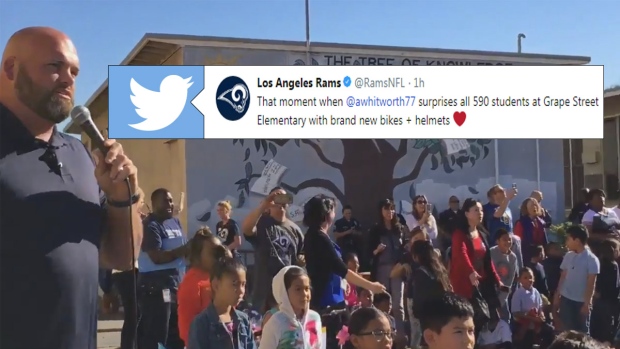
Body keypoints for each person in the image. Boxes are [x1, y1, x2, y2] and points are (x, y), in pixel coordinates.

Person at [0, 27, 143, 349]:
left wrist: (122, 200)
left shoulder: (80, 154)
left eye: (74, 71)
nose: (68, 79)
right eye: (54, 66)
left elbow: (120, 256)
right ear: (11, 69)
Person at [302, 195, 385, 348]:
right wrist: (371, 286)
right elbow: (342, 269)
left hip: (334, 298)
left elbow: (334, 269)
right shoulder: (318, 237)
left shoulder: (318, 236)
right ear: (326, 214)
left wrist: (344, 281)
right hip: (326, 303)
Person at [138, 189, 188, 349]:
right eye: (165, 200)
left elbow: (184, 248)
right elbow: (156, 257)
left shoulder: (175, 222)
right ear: (154, 203)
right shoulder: (150, 225)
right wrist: (184, 250)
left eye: (171, 200)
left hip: (177, 286)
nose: (170, 204)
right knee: (158, 336)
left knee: (177, 336)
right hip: (157, 289)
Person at [241, 187, 304, 311]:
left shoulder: (295, 230)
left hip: (287, 292)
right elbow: (247, 229)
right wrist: (264, 205)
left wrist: (302, 260)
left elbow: (301, 255)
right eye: (276, 198)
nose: (280, 203)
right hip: (264, 293)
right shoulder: (261, 223)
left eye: (283, 198)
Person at [188, 255, 256, 349]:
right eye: (234, 284)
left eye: (243, 284)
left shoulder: (244, 320)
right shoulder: (202, 323)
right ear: (216, 285)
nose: (241, 291)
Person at [450, 199, 506, 313]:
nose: (480, 213)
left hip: (482, 283)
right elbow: (461, 254)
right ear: (466, 214)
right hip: (465, 284)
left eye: (481, 210)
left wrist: (497, 279)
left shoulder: (482, 234)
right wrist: (471, 271)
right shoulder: (459, 234)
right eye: (476, 210)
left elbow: (487, 260)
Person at [177, 229, 231, 345]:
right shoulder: (192, 284)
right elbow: (186, 329)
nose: (218, 256)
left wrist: (228, 260)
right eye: (213, 252)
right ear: (197, 255)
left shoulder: (215, 276)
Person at [368, 199, 407, 334]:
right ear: (381, 211)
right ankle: (383, 333)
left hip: (397, 268)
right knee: (383, 302)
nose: (390, 212)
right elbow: (369, 252)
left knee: (398, 304)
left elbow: (404, 248)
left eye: (392, 209)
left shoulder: (399, 228)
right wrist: (377, 250)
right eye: (386, 209)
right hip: (382, 268)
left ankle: (400, 336)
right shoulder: (376, 229)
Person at [259, 266, 323, 349]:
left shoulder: (314, 318)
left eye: (307, 289)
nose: (304, 294)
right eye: (298, 289)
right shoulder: (276, 322)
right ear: (285, 292)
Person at [553, 224, 600, 335]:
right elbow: (563, 276)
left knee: (582, 334)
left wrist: (587, 304)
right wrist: (557, 294)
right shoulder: (568, 256)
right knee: (567, 332)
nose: (566, 242)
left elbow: (591, 284)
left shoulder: (592, 259)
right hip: (566, 299)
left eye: (568, 239)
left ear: (577, 240)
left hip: (581, 303)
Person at [409, 240, 452, 349]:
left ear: (416, 256)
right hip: (442, 315)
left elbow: (419, 300)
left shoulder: (420, 273)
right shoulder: (440, 271)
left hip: (427, 318)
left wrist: (416, 312)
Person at [511, 267, 554, 348]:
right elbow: (516, 313)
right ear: (519, 280)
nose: (529, 280)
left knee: (550, 331)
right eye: (525, 278)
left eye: (530, 277)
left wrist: (541, 315)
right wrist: (531, 318)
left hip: (536, 322)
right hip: (523, 324)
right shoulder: (518, 294)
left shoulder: (536, 292)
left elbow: (540, 306)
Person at [483, 185, 523, 268]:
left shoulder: (507, 209)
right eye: (501, 191)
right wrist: (507, 198)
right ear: (493, 195)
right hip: (495, 246)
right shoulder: (487, 208)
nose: (504, 191)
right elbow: (497, 214)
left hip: (510, 246)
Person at [590, 239, 620, 344]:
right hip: (609, 302)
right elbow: (614, 286)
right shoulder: (613, 265)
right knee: (607, 330)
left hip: (597, 300)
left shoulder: (598, 262)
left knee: (596, 328)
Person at [489, 228, 518, 322]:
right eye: (504, 239)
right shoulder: (491, 253)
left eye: (509, 239)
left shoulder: (513, 258)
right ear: (497, 241)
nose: (508, 242)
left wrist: (500, 303)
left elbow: (510, 281)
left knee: (505, 318)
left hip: (503, 294)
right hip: (490, 291)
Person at [514, 197, 549, 263]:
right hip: (527, 256)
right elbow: (519, 243)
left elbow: (545, 240)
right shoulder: (521, 223)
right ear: (526, 208)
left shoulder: (541, 222)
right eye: (532, 205)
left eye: (536, 205)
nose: (534, 207)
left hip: (541, 255)